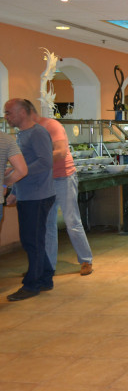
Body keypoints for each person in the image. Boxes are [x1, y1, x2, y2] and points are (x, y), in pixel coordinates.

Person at [28, 100, 94, 275]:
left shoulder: (51, 125)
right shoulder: (28, 132)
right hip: (45, 181)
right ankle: (48, 266)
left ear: (28, 113)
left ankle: (86, 260)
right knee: (48, 224)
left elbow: (61, 152)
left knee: (72, 221)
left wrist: (32, 164)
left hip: (64, 177)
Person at [4, 98, 55, 301]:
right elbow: (24, 165)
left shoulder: (37, 133)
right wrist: (15, 191)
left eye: (9, 112)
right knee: (32, 240)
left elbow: (45, 162)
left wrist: (17, 172)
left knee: (32, 241)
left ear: (22, 113)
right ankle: (46, 277)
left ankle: (32, 285)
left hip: (38, 196)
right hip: (28, 195)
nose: (6, 117)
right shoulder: (22, 134)